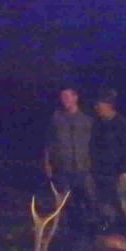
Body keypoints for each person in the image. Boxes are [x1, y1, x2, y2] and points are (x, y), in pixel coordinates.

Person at [44, 85, 96, 228]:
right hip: (63, 168)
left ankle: (92, 228)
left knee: (89, 199)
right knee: (66, 202)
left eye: (67, 96)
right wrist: (47, 163)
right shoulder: (56, 119)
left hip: (83, 167)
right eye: (62, 97)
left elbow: (94, 144)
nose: (64, 100)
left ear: (75, 97)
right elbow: (49, 142)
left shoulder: (87, 120)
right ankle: (69, 229)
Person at [90, 88, 126, 225]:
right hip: (102, 172)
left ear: (108, 105)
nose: (96, 107)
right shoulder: (98, 124)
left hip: (119, 172)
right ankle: (112, 228)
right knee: (106, 205)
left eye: (99, 104)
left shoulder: (121, 123)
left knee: (124, 202)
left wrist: (125, 171)